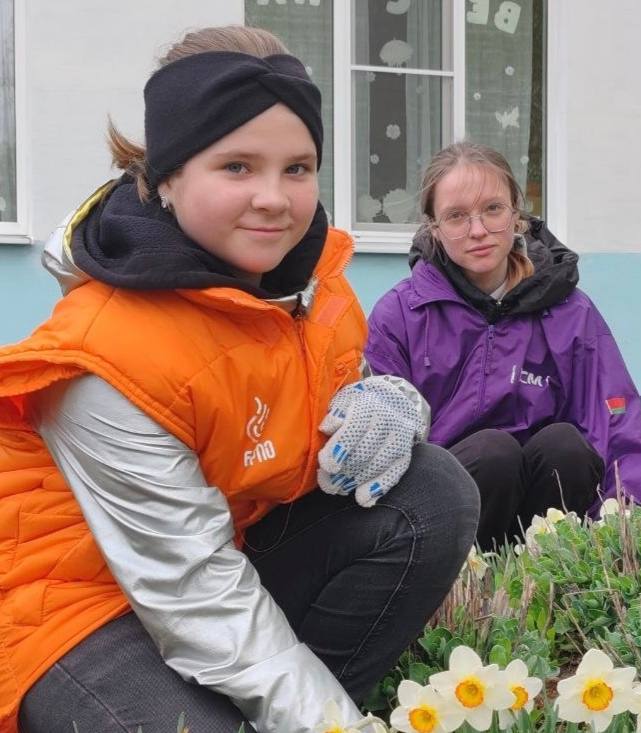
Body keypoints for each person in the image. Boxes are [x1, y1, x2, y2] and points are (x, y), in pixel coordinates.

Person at [0, 27, 480, 733]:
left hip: (218, 549)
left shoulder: (308, 283)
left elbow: (325, 407)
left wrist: (390, 399)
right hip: (71, 604)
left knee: (429, 491)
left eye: (297, 167)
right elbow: (194, 595)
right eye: (236, 166)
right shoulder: (104, 351)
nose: (273, 198)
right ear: (167, 175)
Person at [366, 141, 641, 550]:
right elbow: (381, 444)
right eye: (456, 216)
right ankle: (465, 577)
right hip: (446, 517)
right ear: (434, 228)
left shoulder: (571, 312)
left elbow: (616, 423)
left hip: (544, 516)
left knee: (567, 445)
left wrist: (623, 527)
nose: (477, 231)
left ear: (517, 215)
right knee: (494, 453)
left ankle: (546, 574)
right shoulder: (401, 314)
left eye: (493, 209)